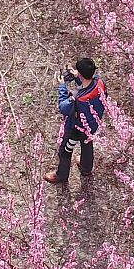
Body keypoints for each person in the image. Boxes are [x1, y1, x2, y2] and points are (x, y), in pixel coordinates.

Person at [44, 57, 106, 185]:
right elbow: (86, 86)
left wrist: (62, 86)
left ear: (82, 74)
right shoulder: (100, 84)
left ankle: (61, 175)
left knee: (65, 150)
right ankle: (86, 167)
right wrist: (78, 77)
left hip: (75, 129)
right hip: (92, 125)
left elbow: (64, 108)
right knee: (87, 144)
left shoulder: (78, 99)